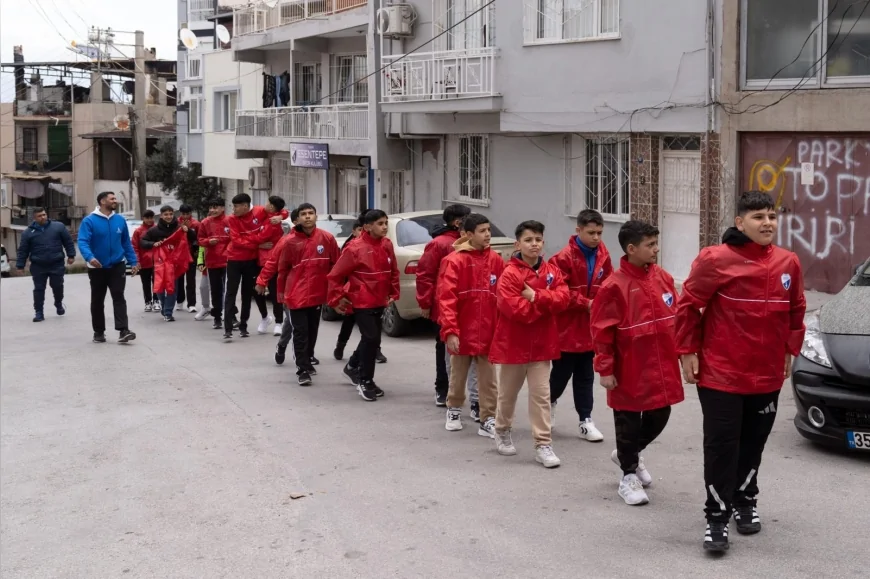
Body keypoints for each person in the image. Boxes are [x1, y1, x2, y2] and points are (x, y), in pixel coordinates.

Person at [675, 191, 806, 553]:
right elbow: (688, 306)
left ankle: (744, 500)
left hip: (765, 375)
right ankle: (716, 518)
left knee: (754, 444)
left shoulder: (788, 262)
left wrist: (789, 351)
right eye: (758, 217)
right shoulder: (715, 260)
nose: (767, 223)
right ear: (740, 223)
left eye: (772, 216)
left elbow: (796, 309)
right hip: (721, 375)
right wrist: (687, 350)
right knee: (721, 447)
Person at [590, 220, 684, 507]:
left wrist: (686, 352)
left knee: (661, 414)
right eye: (650, 245)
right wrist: (605, 368)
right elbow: (601, 331)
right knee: (627, 422)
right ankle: (628, 475)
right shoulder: (613, 286)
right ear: (632, 249)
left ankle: (627, 452)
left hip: (661, 363)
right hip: (629, 366)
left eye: (656, 243)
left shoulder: (663, 278)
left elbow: (677, 316)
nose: (656, 249)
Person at [489, 220, 569, 468]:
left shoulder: (552, 271)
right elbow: (513, 309)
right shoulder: (509, 274)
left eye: (538, 240)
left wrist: (535, 296)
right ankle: (502, 430)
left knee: (541, 396)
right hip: (513, 344)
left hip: (542, 346)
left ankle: (543, 444)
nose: (534, 244)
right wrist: (545, 307)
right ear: (518, 244)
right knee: (508, 395)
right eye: (528, 240)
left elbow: (564, 299)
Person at [437, 213, 505, 439]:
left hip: (488, 331)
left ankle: (487, 419)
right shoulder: (454, 261)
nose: (488, 235)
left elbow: (503, 296)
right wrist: (451, 331)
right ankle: (454, 410)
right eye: (482, 231)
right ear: (467, 234)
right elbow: (446, 299)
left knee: (489, 380)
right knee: (458, 375)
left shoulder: (495, 260)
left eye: (488, 230)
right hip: (462, 331)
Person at [548, 209, 613, 441]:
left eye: (600, 233)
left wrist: (603, 306)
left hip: (590, 327)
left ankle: (585, 420)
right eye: (591, 232)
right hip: (566, 326)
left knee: (586, 376)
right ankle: (548, 404)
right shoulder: (562, 258)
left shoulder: (604, 255)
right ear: (578, 230)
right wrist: (586, 303)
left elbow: (609, 285)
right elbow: (558, 290)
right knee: (561, 374)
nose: (596, 237)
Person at [259, 203, 339, 386]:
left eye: (311, 213)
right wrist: (263, 282)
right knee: (300, 331)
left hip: (317, 294)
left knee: (312, 331)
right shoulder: (288, 241)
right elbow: (278, 265)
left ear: (316, 216)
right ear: (298, 219)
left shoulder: (327, 239)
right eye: (304, 214)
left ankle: (308, 357)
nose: (308, 217)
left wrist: (337, 290)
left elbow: (337, 265)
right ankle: (302, 369)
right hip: (296, 295)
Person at [328, 209, 399, 402]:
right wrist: (337, 297)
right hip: (361, 300)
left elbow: (393, 270)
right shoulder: (354, 248)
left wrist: (394, 292)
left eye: (385, 223)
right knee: (371, 337)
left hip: (380, 299)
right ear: (367, 227)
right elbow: (335, 275)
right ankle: (365, 380)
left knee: (372, 339)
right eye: (380, 223)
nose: (384, 227)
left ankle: (352, 366)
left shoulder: (386, 244)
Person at [416, 204, 472, 406]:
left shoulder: (472, 245)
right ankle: (442, 388)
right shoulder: (440, 244)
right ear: (458, 222)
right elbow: (425, 275)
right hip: (443, 307)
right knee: (444, 348)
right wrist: (425, 302)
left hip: (467, 307)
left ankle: (467, 393)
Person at [77, 191, 139, 343]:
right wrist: (90, 258)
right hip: (97, 267)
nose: (115, 201)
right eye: (112, 199)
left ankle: (123, 330)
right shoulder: (89, 221)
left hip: (117, 265)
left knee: (119, 296)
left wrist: (133, 261)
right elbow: (83, 241)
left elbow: (126, 242)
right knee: (98, 300)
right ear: (102, 201)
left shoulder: (119, 220)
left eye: (115, 198)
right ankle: (98, 332)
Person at [334, 218, 389, 365]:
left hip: (373, 296)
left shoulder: (383, 245)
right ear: (354, 231)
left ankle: (374, 351)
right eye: (359, 230)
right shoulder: (350, 247)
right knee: (350, 323)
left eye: (385, 223)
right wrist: (339, 295)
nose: (361, 233)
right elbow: (339, 274)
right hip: (353, 293)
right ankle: (341, 345)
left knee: (372, 332)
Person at [15, 206, 76, 322]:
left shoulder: (58, 227)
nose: (43, 217)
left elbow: (68, 241)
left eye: (44, 215)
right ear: (34, 218)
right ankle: (39, 312)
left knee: (57, 286)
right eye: (40, 216)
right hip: (38, 265)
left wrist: (71, 255)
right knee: (38, 289)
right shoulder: (28, 233)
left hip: (56, 263)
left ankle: (58, 303)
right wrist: (20, 266)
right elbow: (23, 250)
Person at [138, 206, 187, 321]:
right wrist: (153, 244)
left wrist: (187, 231)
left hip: (174, 263)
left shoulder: (179, 228)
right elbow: (142, 242)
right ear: (161, 216)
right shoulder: (154, 230)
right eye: (166, 214)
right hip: (159, 264)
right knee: (160, 287)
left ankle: (168, 312)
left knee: (172, 288)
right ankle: (164, 307)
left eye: (171, 214)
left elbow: (191, 238)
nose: (169, 216)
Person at [255, 195, 288, 335]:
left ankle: (279, 322)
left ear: (272, 206)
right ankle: (265, 318)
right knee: (257, 292)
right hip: (259, 260)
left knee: (275, 293)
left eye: (267, 202)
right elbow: (286, 211)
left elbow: (259, 237)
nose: (265, 203)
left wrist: (245, 238)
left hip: (272, 261)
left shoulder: (272, 222)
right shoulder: (266, 215)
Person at [197, 198, 231, 330]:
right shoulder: (205, 222)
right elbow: (200, 240)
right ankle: (217, 318)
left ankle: (230, 317)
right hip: (212, 261)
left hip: (228, 261)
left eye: (216, 207)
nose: (213, 210)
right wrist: (207, 242)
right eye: (211, 207)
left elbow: (236, 238)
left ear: (223, 208)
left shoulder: (230, 221)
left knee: (229, 291)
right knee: (216, 291)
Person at [175, 204, 200, 313]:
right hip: (179, 255)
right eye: (183, 214)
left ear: (191, 213)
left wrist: (189, 229)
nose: (185, 216)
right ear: (180, 213)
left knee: (191, 280)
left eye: (187, 214)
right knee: (179, 279)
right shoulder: (175, 223)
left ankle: (192, 304)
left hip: (191, 255)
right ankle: (179, 301)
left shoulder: (196, 224)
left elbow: (198, 238)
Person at [132, 210, 157, 312]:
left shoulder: (157, 229)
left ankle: (156, 301)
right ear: (143, 218)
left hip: (157, 261)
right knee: (145, 283)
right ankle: (148, 302)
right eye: (147, 218)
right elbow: (135, 247)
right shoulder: (138, 231)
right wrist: (137, 261)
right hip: (144, 261)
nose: (149, 220)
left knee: (157, 282)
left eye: (151, 218)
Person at [194, 244, 211, 321]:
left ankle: (224, 309)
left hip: (221, 263)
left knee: (221, 288)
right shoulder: (204, 232)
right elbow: (201, 248)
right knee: (203, 287)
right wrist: (200, 262)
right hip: (208, 264)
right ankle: (206, 308)